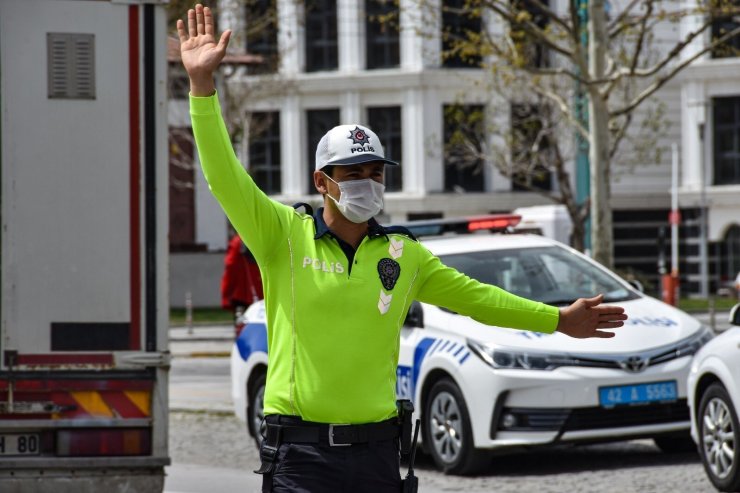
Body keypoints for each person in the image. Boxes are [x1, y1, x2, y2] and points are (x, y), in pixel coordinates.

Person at [177, 5, 628, 492]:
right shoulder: (282, 235)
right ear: (321, 182)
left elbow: (479, 299)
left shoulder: (403, 254)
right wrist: (202, 88)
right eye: (353, 175)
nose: (367, 184)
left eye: (376, 173)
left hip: (377, 454)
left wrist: (558, 320)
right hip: (301, 456)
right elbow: (224, 176)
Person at [221, 233, 263, 313]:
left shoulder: (238, 241)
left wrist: (227, 293)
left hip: (241, 292)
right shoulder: (258, 237)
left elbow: (230, 265)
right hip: (258, 289)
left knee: (242, 321)